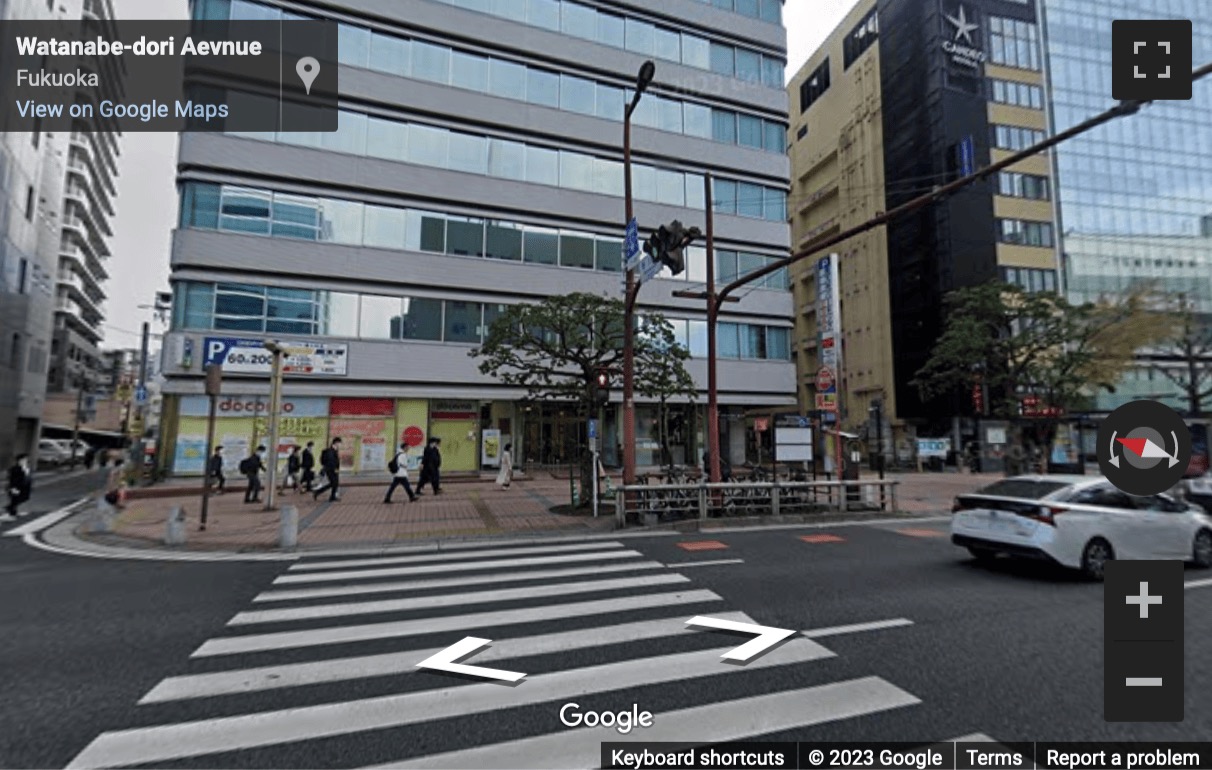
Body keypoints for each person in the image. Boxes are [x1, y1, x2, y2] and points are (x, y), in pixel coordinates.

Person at [313, 437, 342, 502]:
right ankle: (331, 496)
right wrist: (334, 469)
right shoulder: (330, 451)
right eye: (339, 443)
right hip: (331, 470)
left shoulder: (334, 450)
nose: (340, 445)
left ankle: (318, 492)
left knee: (334, 483)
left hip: (333, 469)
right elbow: (331, 461)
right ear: (336, 443)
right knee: (334, 483)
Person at [5, 454, 33, 519]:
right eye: (23, 460)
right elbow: (11, 479)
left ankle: (10, 508)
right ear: (19, 461)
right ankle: (12, 513)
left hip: (25, 487)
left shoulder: (27, 468)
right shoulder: (14, 469)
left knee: (25, 498)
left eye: (26, 460)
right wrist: (13, 488)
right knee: (14, 499)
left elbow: (28, 477)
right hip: (16, 487)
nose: (25, 461)